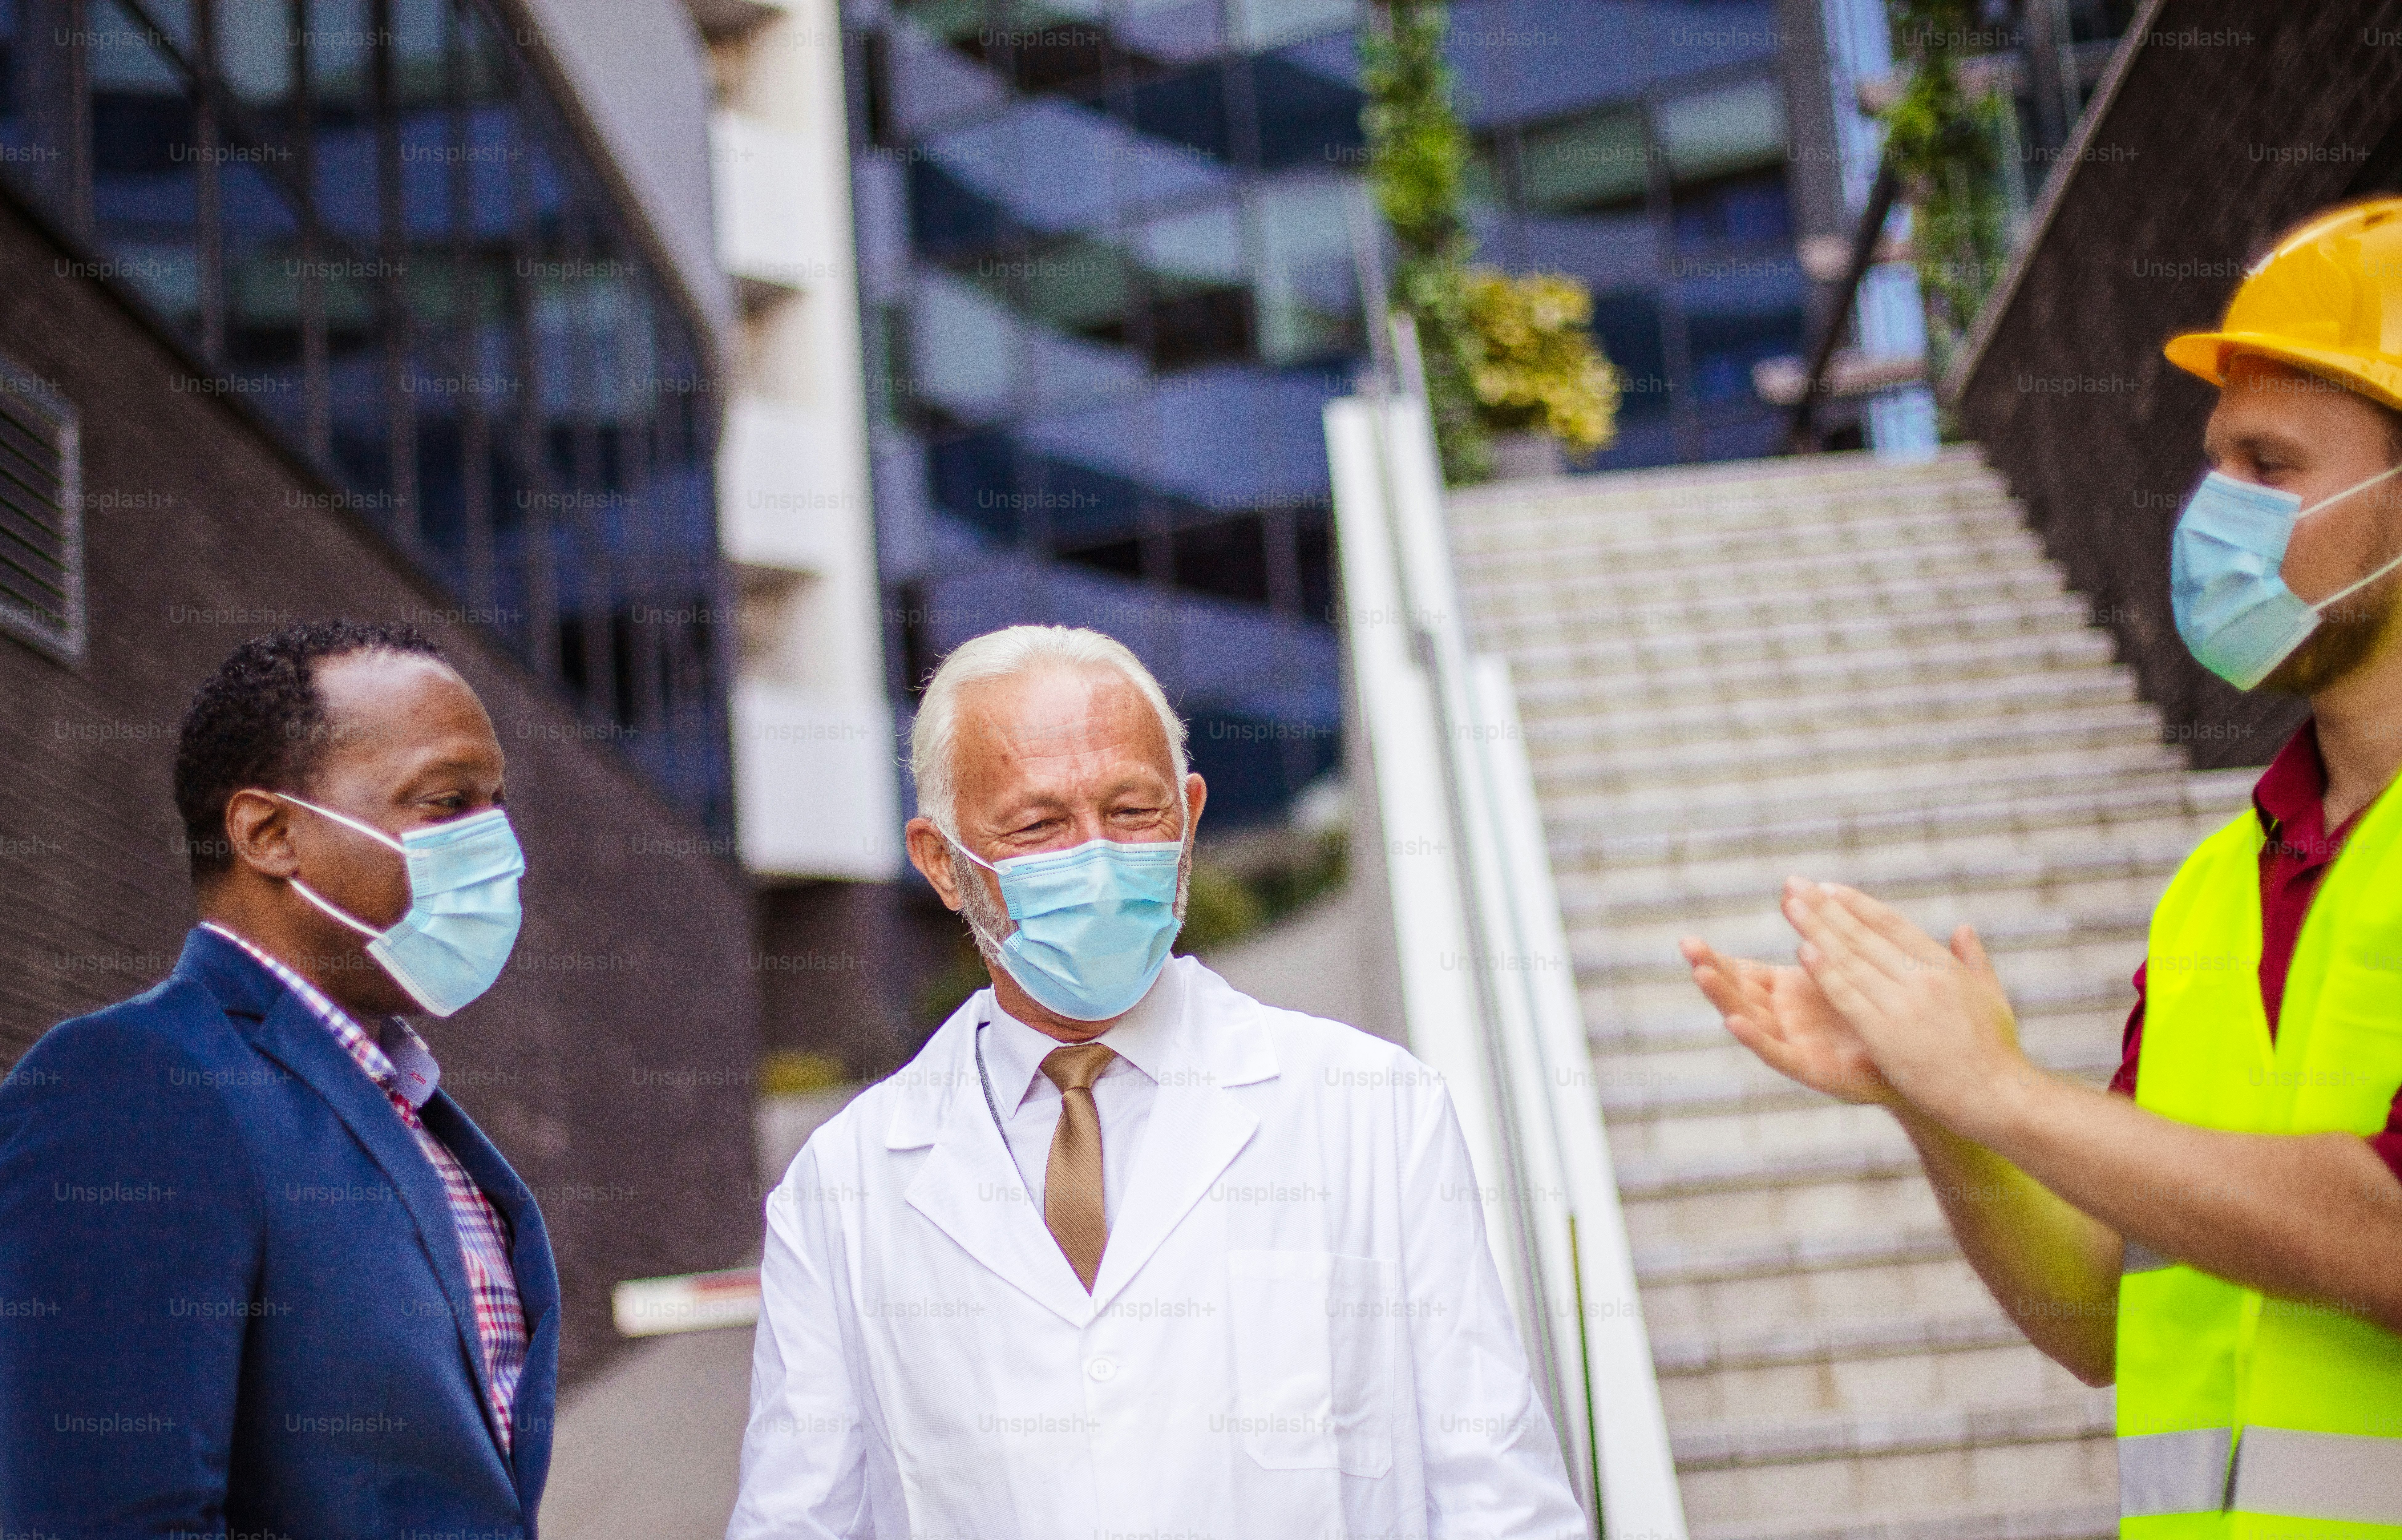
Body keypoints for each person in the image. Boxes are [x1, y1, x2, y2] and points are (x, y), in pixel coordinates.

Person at [1685, 200, 2402, 1531]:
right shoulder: (2214, 892)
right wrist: (1937, 1102)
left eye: (2272, 464)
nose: (2216, 516)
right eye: (2217, 465)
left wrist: (2005, 1091)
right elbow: (2105, 1322)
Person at [728, 624, 1583, 1539]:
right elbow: (797, 1523)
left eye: (1133, 811)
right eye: (1039, 825)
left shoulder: (1375, 1110)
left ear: (1190, 814)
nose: (1097, 858)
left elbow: (1503, 1503)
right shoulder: (841, 1191)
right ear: (942, 861)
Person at [0, 620, 558, 1532]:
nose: (500, 847)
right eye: (448, 801)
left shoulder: (410, 1114)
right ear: (269, 833)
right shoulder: (137, 1083)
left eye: (497, 803)